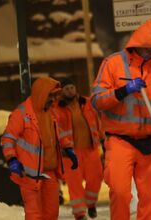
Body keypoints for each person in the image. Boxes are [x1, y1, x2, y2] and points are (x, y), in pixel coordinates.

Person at [91, 19, 151, 220]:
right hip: (120, 140)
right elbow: (97, 100)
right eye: (144, 48)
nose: (148, 52)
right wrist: (122, 91)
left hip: (150, 142)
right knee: (120, 192)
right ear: (135, 44)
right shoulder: (113, 64)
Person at [1, 77, 78, 220]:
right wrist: (11, 159)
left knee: (51, 213)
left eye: (55, 95)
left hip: (50, 172)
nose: (53, 99)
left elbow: (58, 132)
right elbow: (8, 138)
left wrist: (68, 148)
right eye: (50, 95)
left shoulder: (50, 112)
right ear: (41, 93)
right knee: (34, 214)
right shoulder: (21, 113)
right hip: (29, 174)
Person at [56, 78, 104, 219]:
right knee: (74, 184)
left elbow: (97, 122)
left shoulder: (87, 103)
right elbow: (56, 130)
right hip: (70, 153)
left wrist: (103, 139)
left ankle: (90, 204)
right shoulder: (57, 108)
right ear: (62, 91)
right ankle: (79, 213)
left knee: (96, 178)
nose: (70, 90)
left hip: (90, 149)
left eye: (72, 87)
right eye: (66, 88)